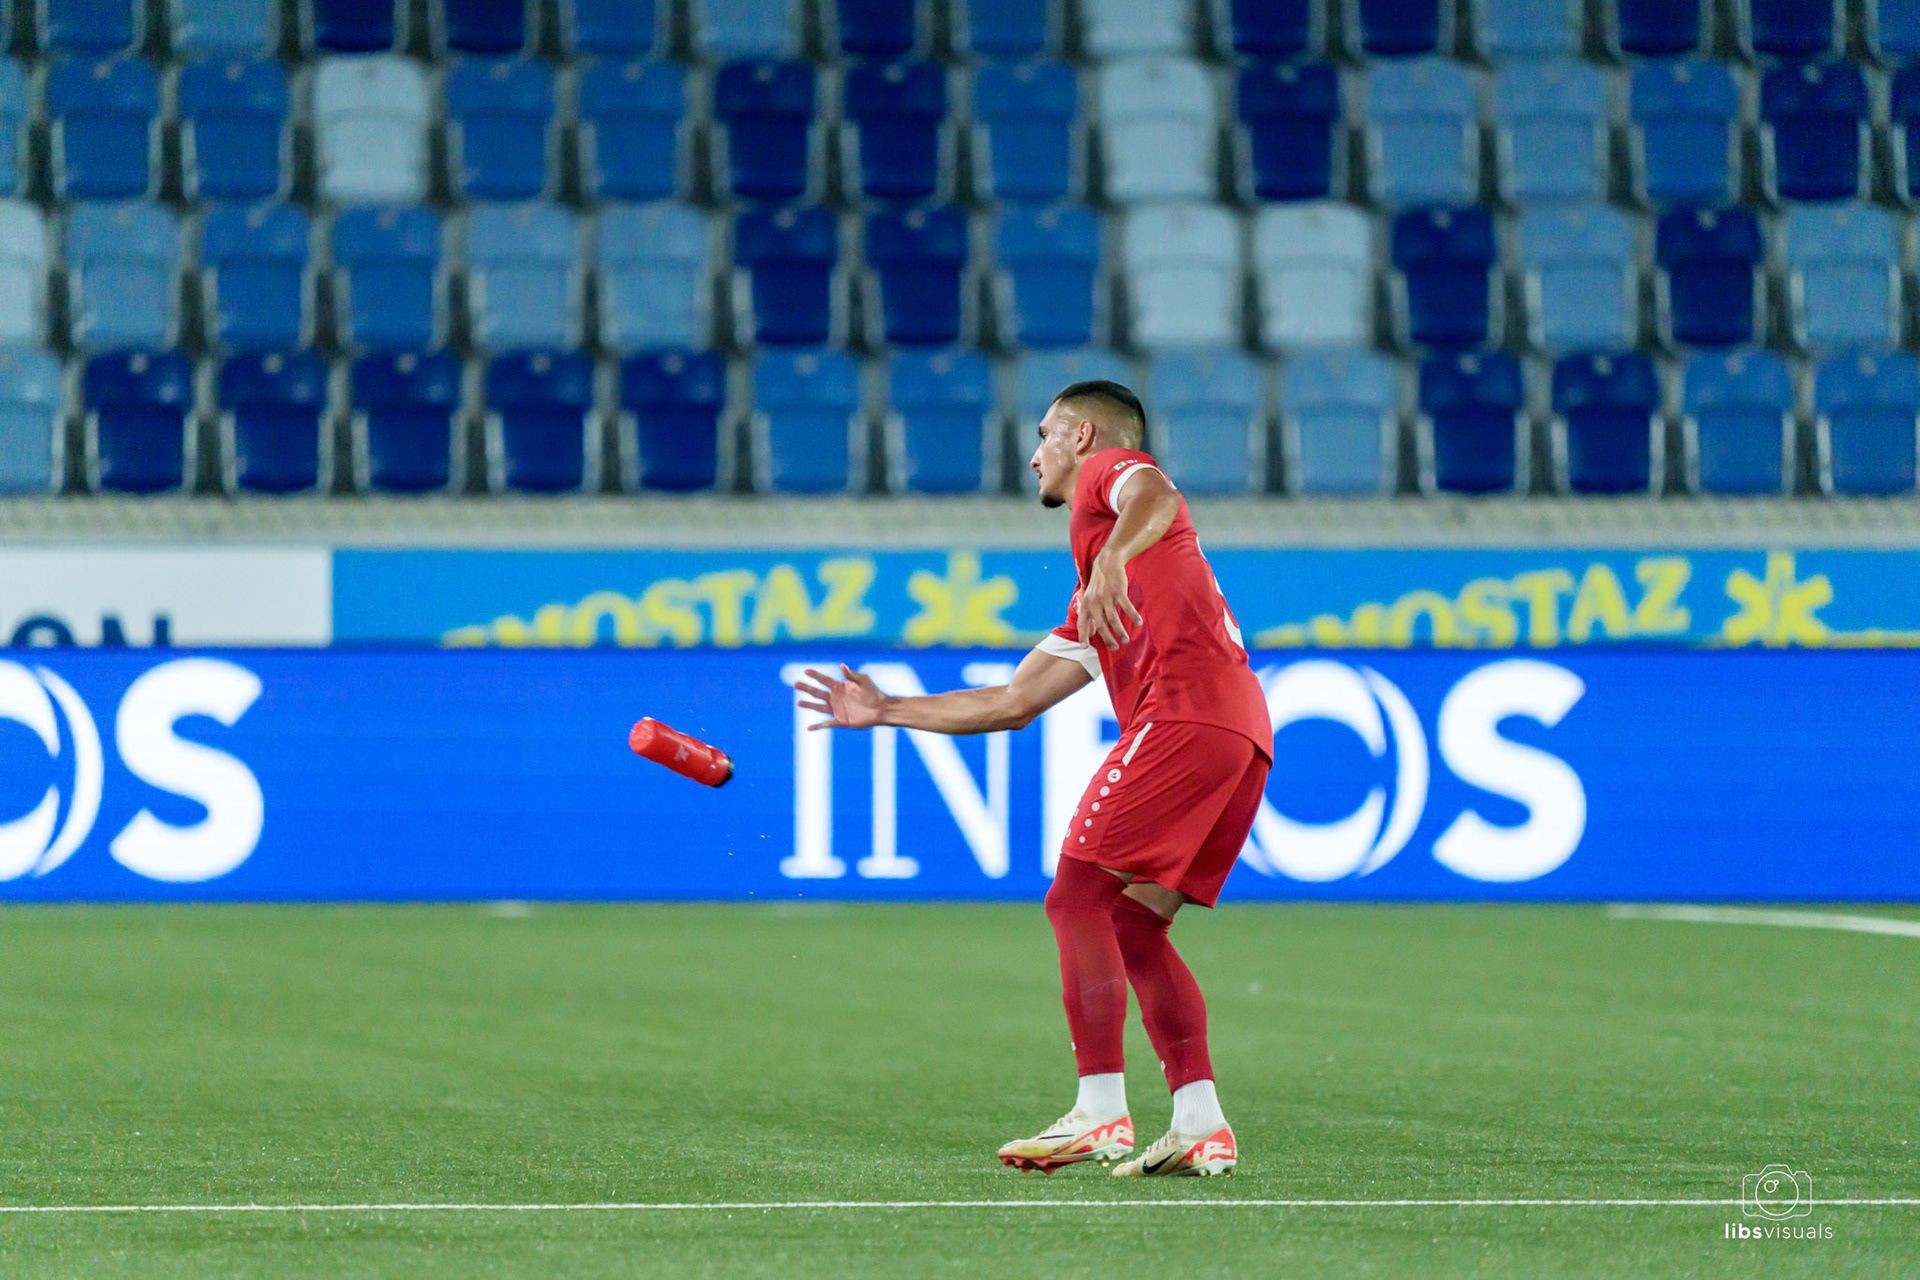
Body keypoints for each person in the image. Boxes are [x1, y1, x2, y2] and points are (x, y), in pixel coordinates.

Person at [793, 381, 1272, 1178]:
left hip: (1186, 719)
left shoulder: (1107, 484)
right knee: (1132, 925)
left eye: (1046, 433)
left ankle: (1099, 1112)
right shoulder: (1103, 597)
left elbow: (1153, 489)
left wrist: (1117, 552)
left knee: (1075, 895)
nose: (1034, 453)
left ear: (1083, 435)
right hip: (1241, 734)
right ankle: (1199, 1122)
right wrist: (886, 709)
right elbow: (1012, 702)